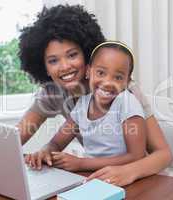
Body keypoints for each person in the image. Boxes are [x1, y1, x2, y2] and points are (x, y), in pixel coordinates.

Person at [17, 4, 172, 186]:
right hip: (98, 179)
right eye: (53, 60)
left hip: (144, 180)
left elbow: (164, 155)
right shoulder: (54, 94)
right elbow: (14, 139)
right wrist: (45, 150)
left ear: (87, 56)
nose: (65, 66)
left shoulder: (124, 92)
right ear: (44, 68)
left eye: (72, 55)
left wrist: (128, 171)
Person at [25, 41, 147, 174]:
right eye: (101, 73)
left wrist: (82, 163)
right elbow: (57, 143)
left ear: (127, 82)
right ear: (88, 72)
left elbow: (136, 156)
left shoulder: (127, 103)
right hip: (94, 176)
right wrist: (45, 151)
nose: (107, 82)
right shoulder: (82, 105)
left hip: (126, 177)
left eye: (118, 77)